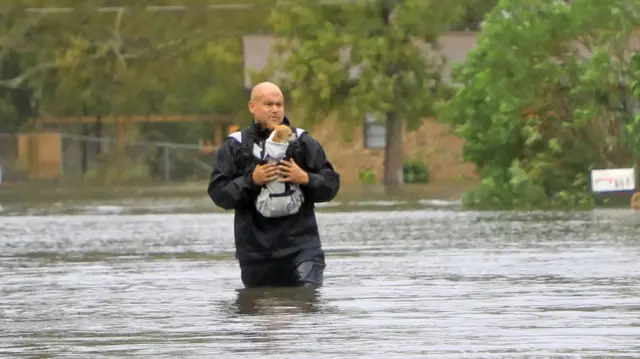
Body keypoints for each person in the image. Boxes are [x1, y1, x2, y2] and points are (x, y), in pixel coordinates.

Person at [208, 81, 340, 289]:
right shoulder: (235, 146)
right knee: (260, 311)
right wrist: (251, 180)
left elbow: (331, 185)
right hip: (255, 253)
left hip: (302, 248)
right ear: (252, 107)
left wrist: (305, 178)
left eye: (279, 104)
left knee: (307, 305)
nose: (275, 110)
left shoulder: (303, 142)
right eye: (268, 104)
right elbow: (218, 194)